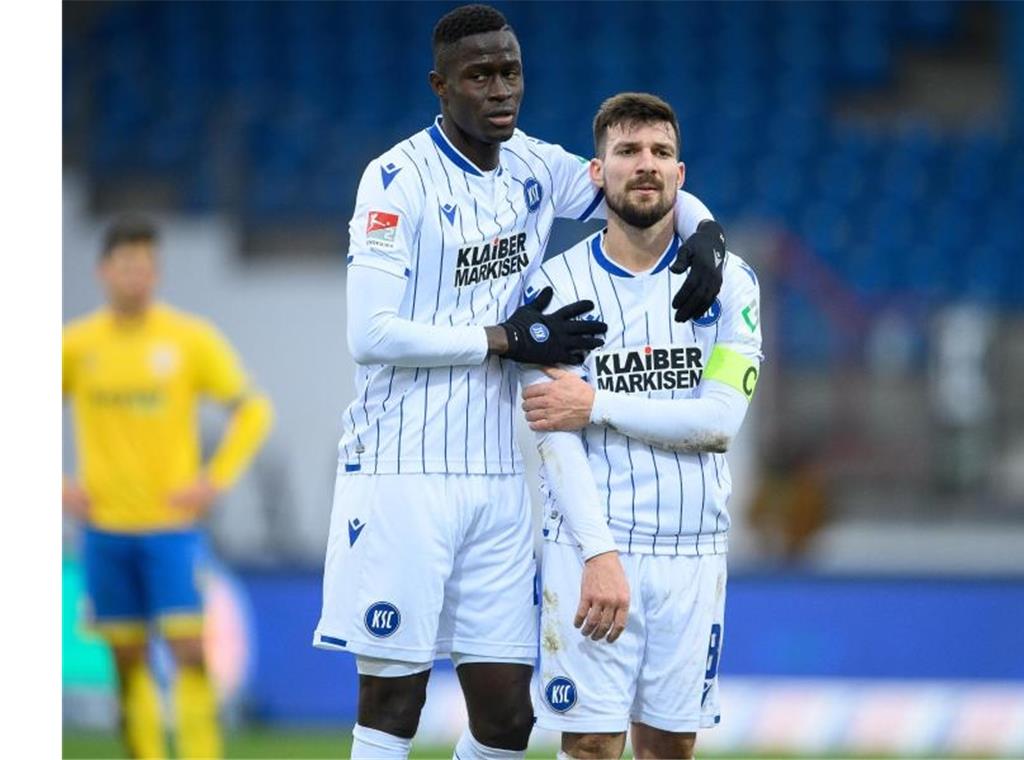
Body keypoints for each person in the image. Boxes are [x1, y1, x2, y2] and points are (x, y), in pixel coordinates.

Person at [310, 5, 730, 759]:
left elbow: (635, 180)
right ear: (441, 87)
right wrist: (502, 339)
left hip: (503, 477)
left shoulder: (536, 168)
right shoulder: (395, 180)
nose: (500, 89)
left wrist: (704, 231)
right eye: (480, 76)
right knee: (394, 700)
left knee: (508, 716)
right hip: (403, 466)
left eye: (510, 72)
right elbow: (367, 335)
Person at [518, 92, 764, 760]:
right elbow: (553, 435)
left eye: (660, 152)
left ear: (681, 177)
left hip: (693, 547)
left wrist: (596, 402)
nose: (645, 165)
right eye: (627, 151)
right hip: (592, 542)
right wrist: (599, 555)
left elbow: (718, 422)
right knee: (593, 745)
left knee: (668, 748)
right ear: (597, 174)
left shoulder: (731, 284)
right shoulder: (551, 287)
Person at [62, 218, 274, 759]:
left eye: (146, 267)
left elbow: (253, 410)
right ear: (104, 271)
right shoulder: (77, 345)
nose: (136, 278)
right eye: (126, 266)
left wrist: (214, 480)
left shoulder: (187, 339)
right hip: (105, 531)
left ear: (155, 273)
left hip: (171, 531)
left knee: (187, 652)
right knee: (126, 663)